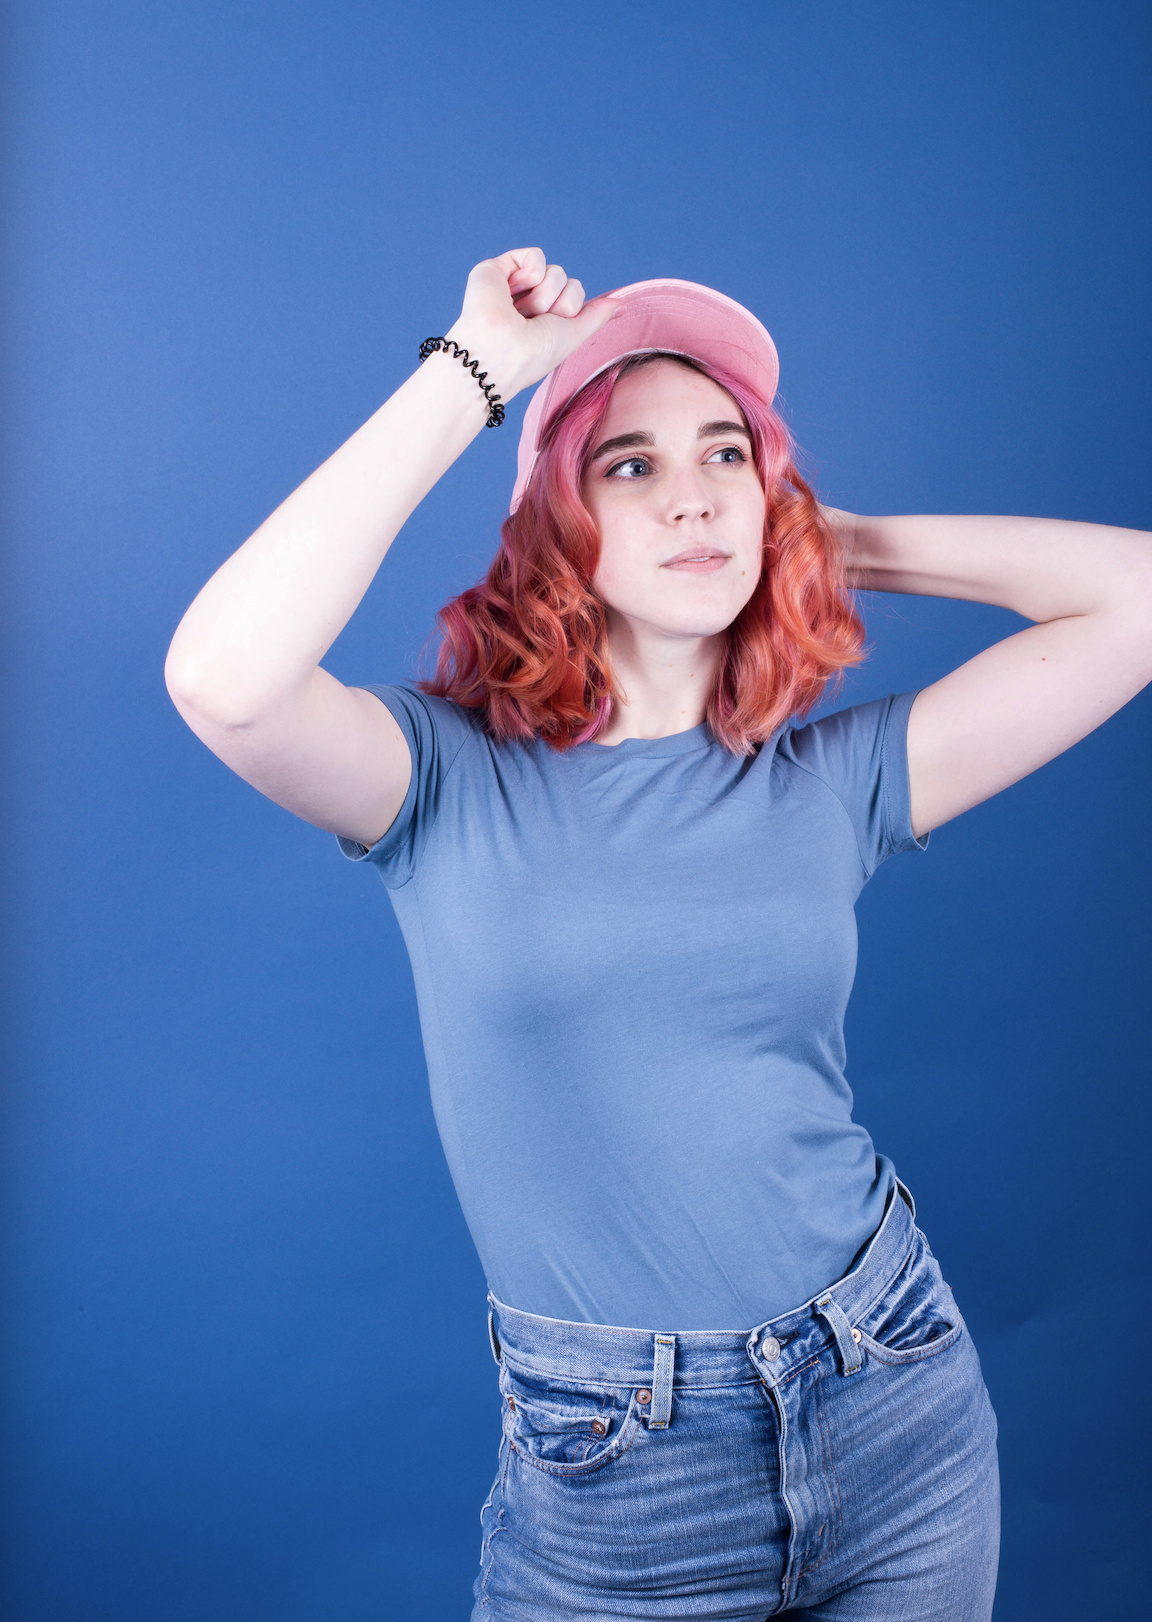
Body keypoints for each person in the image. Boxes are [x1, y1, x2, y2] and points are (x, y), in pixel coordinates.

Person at [164, 248, 1152, 1620]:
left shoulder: (828, 780)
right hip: (621, 1468)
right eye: (628, 466)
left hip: (894, 1389)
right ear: (558, 530)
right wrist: (476, 375)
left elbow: (1140, 600)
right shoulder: (444, 777)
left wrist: (829, 534)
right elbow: (221, 679)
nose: (691, 491)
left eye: (726, 455)